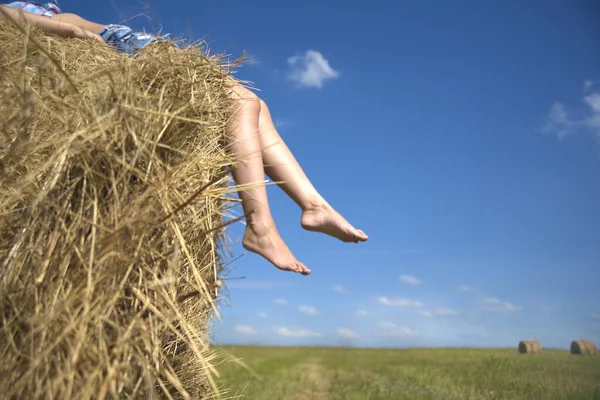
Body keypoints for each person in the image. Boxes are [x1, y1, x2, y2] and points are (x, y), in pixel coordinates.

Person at [0, 2, 369, 276]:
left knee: (256, 105)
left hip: (118, 39)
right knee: (240, 102)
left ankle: (313, 204)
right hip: (114, 43)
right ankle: (260, 226)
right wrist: (68, 33)